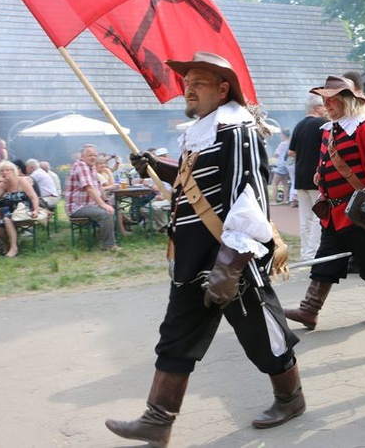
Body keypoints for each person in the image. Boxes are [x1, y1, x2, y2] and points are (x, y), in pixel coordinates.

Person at [106, 52, 304, 446]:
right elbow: (190, 182)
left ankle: (291, 398)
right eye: (187, 82)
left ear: (222, 89)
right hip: (190, 259)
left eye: (197, 82)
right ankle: (158, 419)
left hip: (229, 257)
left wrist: (229, 265)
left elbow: (248, 198)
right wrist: (156, 167)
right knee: (176, 335)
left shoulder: (237, 128)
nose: (188, 89)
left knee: (261, 336)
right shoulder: (200, 131)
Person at [283, 75, 365, 330]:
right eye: (325, 101)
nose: (327, 106)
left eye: (332, 100)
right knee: (326, 258)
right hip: (333, 210)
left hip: (362, 211)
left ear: (347, 101)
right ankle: (309, 309)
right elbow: (329, 162)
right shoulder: (330, 129)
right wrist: (321, 175)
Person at [289, 94, 327, 261]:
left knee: (305, 219)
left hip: (300, 177)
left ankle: (306, 253)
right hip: (316, 178)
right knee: (319, 217)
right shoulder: (322, 125)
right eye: (324, 106)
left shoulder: (298, 126)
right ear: (317, 108)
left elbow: (291, 152)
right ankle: (313, 254)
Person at [64, 144, 119, 251]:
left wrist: (106, 201)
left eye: (95, 155)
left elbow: (98, 187)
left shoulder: (91, 167)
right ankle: (109, 245)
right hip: (77, 207)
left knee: (113, 206)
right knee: (105, 213)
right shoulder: (81, 166)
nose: (93, 157)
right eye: (89, 155)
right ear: (82, 156)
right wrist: (103, 205)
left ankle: (114, 236)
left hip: (88, 205)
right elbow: (89, 188)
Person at [0, 160, 40, 258]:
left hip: (23, 210)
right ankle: (6, 245)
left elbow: (33, 196)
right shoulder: (3, 184)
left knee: (7, 219)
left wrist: (35, 210)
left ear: (13, 171)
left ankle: (14, 248)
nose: (4, 173)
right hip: (9, 212)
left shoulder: (22, 181)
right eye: (2, 171)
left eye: (7, 170)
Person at [270, 129, 291, 204]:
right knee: (285, 183)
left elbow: (276, 154)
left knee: (274, 183)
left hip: (281, 165)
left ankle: (274, 201)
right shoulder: (290, 142)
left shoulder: (282, 144)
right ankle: (285, 200)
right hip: (287, 164)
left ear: (283, 135)